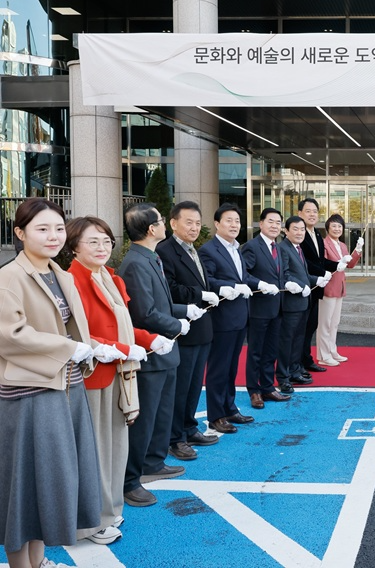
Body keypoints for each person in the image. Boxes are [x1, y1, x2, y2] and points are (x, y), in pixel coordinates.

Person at [0, 198, 101, 568]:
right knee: (24, 487)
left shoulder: (61, 273)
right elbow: (9, 336)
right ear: (20, 233)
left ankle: (37, 562)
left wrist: (85, 349)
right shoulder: (9, 276)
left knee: (49, 482)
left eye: (58, 228)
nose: (53, 236)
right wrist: (68, 347)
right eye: (42, 229)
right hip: (29, 394)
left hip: (66, 387)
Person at [66, 216, 171, 546]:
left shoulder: (108, 277)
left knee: (116, 446)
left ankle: (110, 510)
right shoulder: (73, 280)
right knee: (95, 450)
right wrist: (126, 347)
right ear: (74, 247)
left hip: (120, 372)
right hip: (92, 376)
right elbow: (81, 335)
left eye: (106, 241)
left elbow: (123, 325)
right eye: (92, 242)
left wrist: (149, 339)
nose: (101, 247)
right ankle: (92, 520)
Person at [118, 202, 195, 508]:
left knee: (160, 414)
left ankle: (153, 462)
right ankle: (131, 478)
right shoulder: (136, 263)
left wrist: (183, 311)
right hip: (152, 350)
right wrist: (178, 323)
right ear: (151, 229)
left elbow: (159, 304)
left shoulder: (149, 257)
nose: (165, 224)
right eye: (162, 221)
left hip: (165, 349)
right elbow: (145, 312)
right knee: (145, 417)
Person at [156, 201, 221, 461]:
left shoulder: (194, 250)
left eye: (197, 223)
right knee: (180, 388)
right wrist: (200, 295)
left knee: (194, 385)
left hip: (201, 326)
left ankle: (189, 427)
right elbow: (169, 289)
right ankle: (175, 438)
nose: (194, 228)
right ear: (173, 223)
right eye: (188, 222)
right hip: (182, 328)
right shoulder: (165, 251)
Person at [198, 203, 256, 435]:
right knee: (218, 369)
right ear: (217, 223)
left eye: (237, 221)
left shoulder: (236, 249)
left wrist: (257, 283)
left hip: (240, 316)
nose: (234, 225)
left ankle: (230, 407)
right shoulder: (209, 250)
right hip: (222, 319)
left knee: (232, 368)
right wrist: (232, 286)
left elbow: (244, 276)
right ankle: (216, 415)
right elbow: (208, 280)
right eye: (229, 220)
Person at [241, 208, 289, 410]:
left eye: (278, 222)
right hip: (259, 309)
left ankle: (268, 387)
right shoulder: (251, 246)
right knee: (256, 352)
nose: (274, 226)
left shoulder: (278, 248)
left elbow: (282, 274)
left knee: (271, 351)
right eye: (270, 221)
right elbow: (244, 274)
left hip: (277, 308)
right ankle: (254, 390)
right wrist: (260, 284)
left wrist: (289, 283)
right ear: (261, 224)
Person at [297, 198, 338, 375]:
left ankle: (306, 360)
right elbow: (304, 262)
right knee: (300, 328)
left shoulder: (318, 235)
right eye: (308, 211)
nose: (312, 214)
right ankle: (297, 363)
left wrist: (337, 265)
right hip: (303, 288)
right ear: (300, 214)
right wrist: (322, 272)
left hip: (317, 289)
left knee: (311, 326)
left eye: (315, 211)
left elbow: (320, 260)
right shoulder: (298, 233)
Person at [277, 215, 315, 393]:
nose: (300, 233)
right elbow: (284, 275)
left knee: (298, 339)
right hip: (291, 303)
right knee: (287, 340)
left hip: (303, 302)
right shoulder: (283, 248)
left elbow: (303, 275)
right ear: (286, 231)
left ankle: (294, 369)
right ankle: (283, 376)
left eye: (302, 229)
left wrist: (318, 279)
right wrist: (301, 287)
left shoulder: (298, 248)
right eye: (295, 229)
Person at [317, 213, 363, 366]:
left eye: (340, 226)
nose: (337, 229)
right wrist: (338, 262)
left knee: (334, 323)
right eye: (334, 226)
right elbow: (322, 264)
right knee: (325, 323)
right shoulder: (323, 244)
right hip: (328, 287)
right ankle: (323, 355)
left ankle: (332, 350)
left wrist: (357, 250)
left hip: (340, 288)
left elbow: (350, 265)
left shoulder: (342, 245)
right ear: (328, 228)